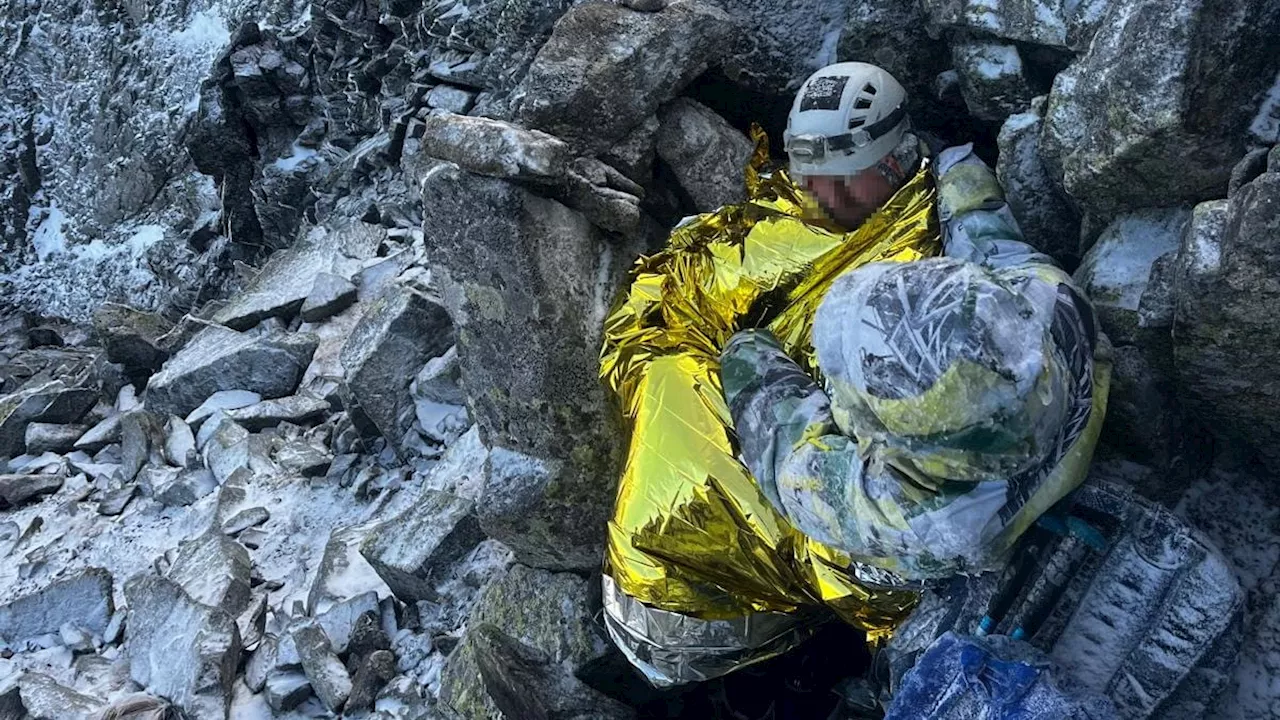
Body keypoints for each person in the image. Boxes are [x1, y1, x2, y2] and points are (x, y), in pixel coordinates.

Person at [721, 61, 1104, 581]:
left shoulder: (914, 512)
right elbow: (994, 245)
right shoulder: (1056, 313)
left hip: (935, 559)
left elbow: (790, 464)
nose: (824, 198)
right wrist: (958, 175)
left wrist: (748, 354)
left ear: (907, 427)